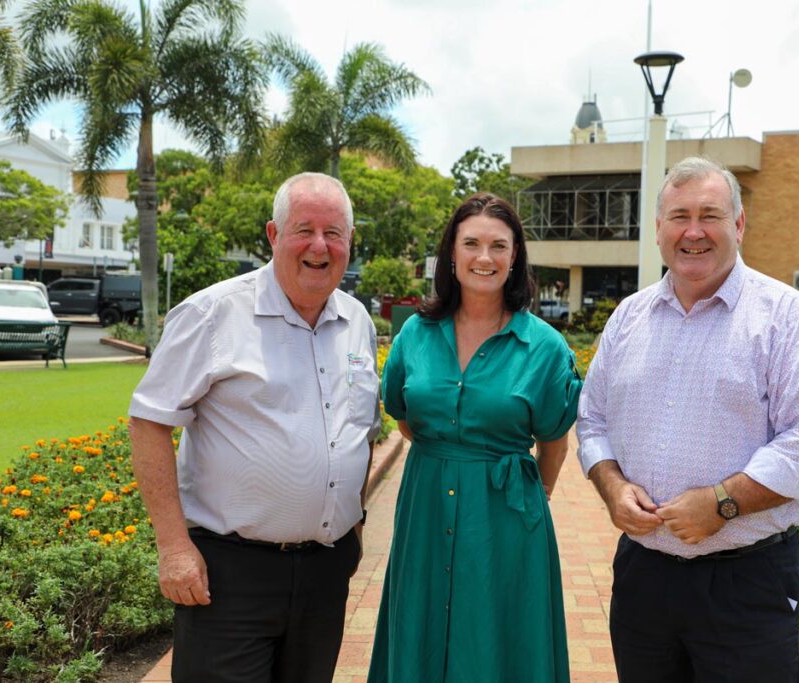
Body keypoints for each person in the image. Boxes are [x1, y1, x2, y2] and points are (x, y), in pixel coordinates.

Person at [577, 157, 799, 682]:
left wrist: (721, 503)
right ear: (658, 229)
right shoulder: (627, 318)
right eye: (679, 216)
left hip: (746, 583)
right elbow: (592, 420)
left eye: (711, 215)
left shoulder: (786, 316)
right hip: (644, 578)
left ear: (739, 225)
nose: (693, 231)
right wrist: (611, 488)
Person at [128, 172, 381, 683]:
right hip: (229, 576)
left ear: (350, 242)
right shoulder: (212, 313)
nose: (319, 245)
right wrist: (174, 548)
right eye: (303, 229)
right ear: (273, 235)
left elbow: (361, 428)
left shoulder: (357, 321)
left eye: (334, 233)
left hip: (325, 575)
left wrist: (352, 527)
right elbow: (149, 422)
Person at [368, 193, 582, 683]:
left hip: (506, 518)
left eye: (498, 246)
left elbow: (554, 442)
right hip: (424, 510)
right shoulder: (415, 336)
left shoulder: (545, 347)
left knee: (499, 637)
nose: (484, 258)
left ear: (515, 258)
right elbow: (405, 419)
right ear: (451, 253)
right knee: (420, 624)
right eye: (471, 243)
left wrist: (531, 495)